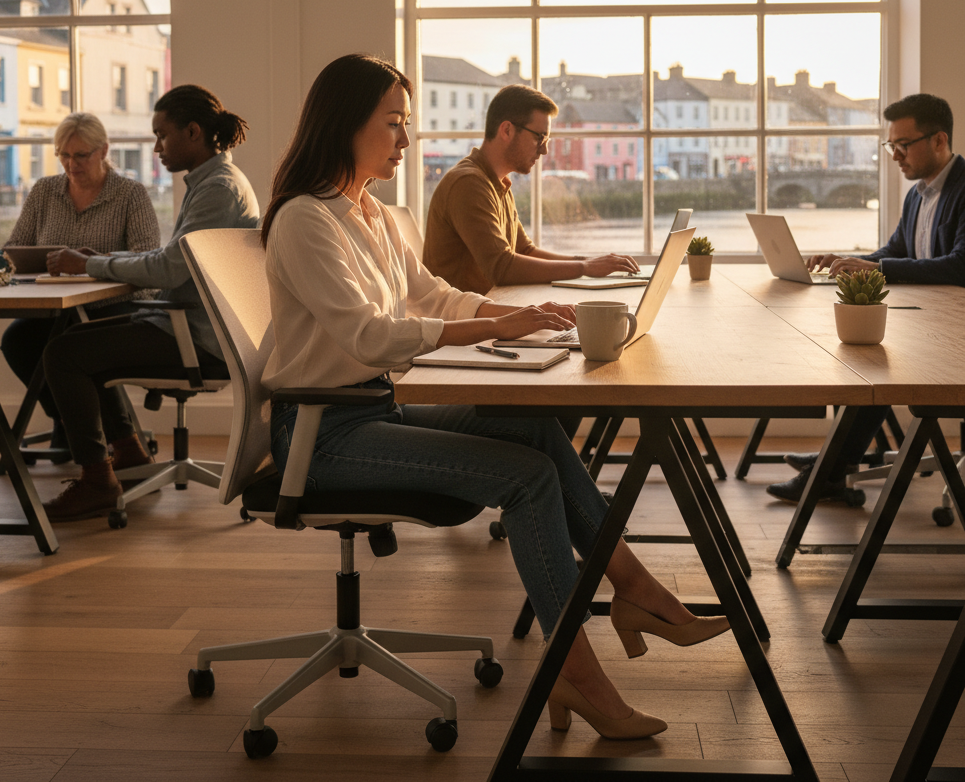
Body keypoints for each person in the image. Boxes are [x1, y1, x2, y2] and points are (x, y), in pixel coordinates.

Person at [261, 53, 730, 741]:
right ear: (344, 124)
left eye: (406, 125)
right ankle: (576, 673)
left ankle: (634, 590)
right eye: (392, 124)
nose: (405, 139)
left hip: (373, 410)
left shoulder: (380, 218)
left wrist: (519, 315)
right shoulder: (305, 220)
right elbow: (368, 336)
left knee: (535, 432)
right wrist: (491, 324)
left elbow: (433, 296)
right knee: (529, 478)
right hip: (322, 433)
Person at [40, 84, 260, 522]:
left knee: (64, 355)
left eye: (162, 135)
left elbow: (169, 270)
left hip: (198, 339)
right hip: (194, 328)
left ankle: (98, 480)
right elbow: (171, 262)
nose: (157, 147)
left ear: (193, 132)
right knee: (72, 339)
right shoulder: (215, 182)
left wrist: (92, 265)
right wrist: (99, 263)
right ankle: (127, 453)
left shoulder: (217, 189)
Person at [768, 93, 965, 502]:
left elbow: (959, 265)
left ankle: (829, 472)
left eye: (902, 145)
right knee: (860, 354)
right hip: (930, 326)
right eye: (890, 145)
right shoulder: (919, 193)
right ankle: (834, 462)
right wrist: (846, 260)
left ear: (939, 141)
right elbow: (893, 252)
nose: (894, 155)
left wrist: (876, 269)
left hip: (954, 340)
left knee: (874, 366)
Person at [1, 112, 160, 451]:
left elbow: (147, 258)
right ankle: (70, 418)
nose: (71, 164)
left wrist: (92, 264)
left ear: (103, 151)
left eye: (80, 155)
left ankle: (103, 441)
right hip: (56, 306)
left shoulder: (131, 194)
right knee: (16, 341)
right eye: (64, 155)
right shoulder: (44, 191)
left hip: (113, 304)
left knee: (77, 339)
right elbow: (15, 247)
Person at [423, 84, 641, 295]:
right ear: (507, 130)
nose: (545, 150)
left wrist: (586, 263)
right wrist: (584, 269)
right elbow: (501, 268)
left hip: (489, 314)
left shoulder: (498, 183)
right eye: (539, 137)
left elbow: (525, 251)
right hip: (463, 324)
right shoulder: (468, 184)